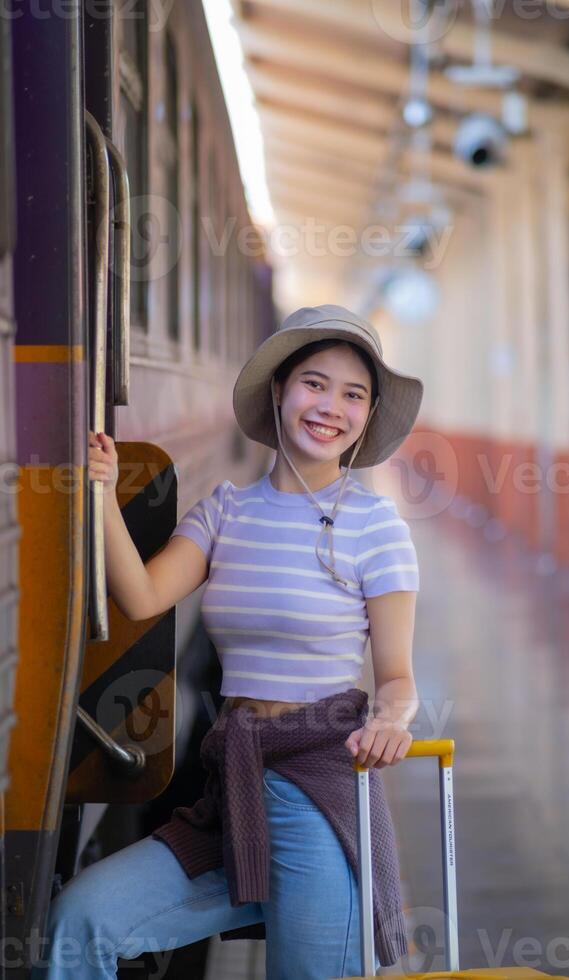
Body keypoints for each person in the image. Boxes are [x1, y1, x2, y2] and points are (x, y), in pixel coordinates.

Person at [32, 304, 423, 980]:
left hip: (319, 789)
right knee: (83, 919)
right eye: (314, 383)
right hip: (233, 788)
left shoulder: (375, 527)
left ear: (366, 416)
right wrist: (98, 494)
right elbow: (144, 595)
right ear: (279, 390)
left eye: (353, 394)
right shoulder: (227, 511)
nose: (330, 405)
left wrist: (392, 719)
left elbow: (396, 676)